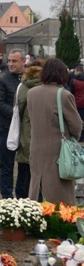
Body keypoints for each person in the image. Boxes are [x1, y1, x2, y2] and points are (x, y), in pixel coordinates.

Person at [27, 58, 82, 205]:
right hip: (58, 150)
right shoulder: (64, 95)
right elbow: (76, 126)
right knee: (60, 194)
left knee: (36, 188)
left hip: (36, 147)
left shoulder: (31, 93)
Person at [0, 49, 24, 199]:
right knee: (6, 165)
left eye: (14, 61)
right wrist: (17, 116)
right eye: (9, 61)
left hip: (26, 129)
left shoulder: (28, 78)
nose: (11, 64)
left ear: (23, 62)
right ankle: (7, 198)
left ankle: (23, 196)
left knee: (25, 165)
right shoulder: (2, 79)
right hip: (7, 127)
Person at [16, 61, 44, 198]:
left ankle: (22, 202)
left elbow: (18, 111)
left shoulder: (23, 88)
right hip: (42, 135)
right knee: (38, 175)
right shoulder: (45, 89)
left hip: (26, 133)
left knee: (23, 173)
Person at [68, 64, 84, 141]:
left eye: (75, 71)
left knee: (79, 120)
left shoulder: (74, 81)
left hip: (77, 103)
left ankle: (80, 136)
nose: (74, 73)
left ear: (78, 71)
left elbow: (72, 93)